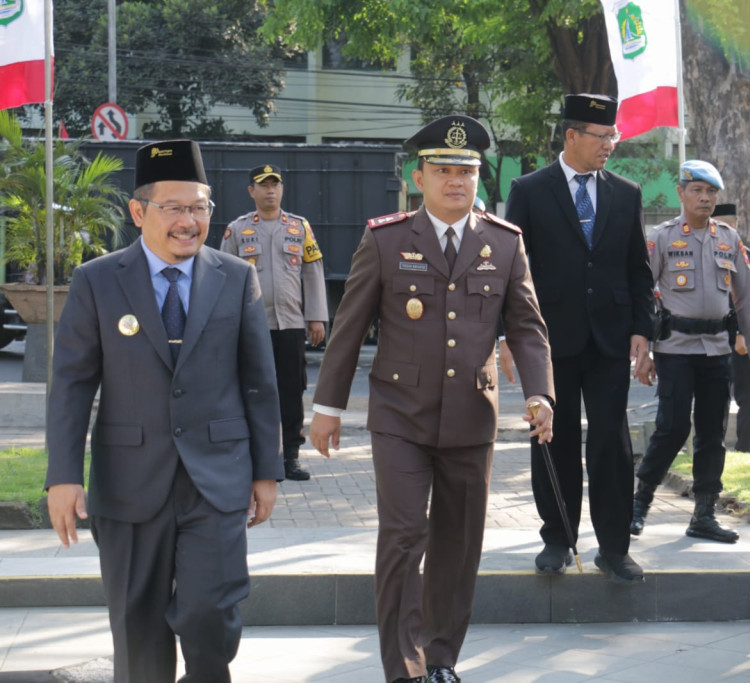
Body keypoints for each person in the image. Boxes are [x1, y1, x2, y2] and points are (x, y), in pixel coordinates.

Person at [308, 115, 554, 683]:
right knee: (403, 535)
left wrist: (541, 393)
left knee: (459, 543)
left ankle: (441, 658)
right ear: (419, 178)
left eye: (467, 172)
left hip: (472, 416)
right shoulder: (387, 239)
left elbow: (527, 327)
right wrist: (327, 409)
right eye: (444, 171)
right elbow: (349, 328)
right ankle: (406, 668)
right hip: (400, 416)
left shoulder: (503, 242)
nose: (457, 182)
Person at [45, 139, 283, 683]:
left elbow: (259, 383)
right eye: (173, 207)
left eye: (198, 207)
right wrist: (62, 476)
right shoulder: (97, 281)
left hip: (216, 481)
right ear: (138, 212)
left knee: (210, 617)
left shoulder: (235, 277)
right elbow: (72, 384)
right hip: (129, 484)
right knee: (138, 631)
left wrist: (266, 470)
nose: (188, 220)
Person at [503, 93, 654, 583]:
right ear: (572, 136)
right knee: (554, 436)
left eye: (613, 135)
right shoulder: (529, 189)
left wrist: (641, 329)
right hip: (549, 338)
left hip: (610, 338)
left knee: (612, 442)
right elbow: (513, 269)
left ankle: (615, 546)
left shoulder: (625, 193)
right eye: (602, 136)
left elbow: (637, 266)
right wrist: (509, 335)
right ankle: (557, 537)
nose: (610, 144)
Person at [629, 162, 750, 542]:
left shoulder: (729, 239)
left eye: (711, 192)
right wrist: (642, 350)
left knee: (712, 432)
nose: (705, 198)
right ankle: (639, 503)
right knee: (672, 427)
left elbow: (747, 301)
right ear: (681, 193)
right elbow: (644, 296)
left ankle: (703, 514)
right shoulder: (661, 238)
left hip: (716, 351)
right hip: (675, 348)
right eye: (697, 190)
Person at [221, 164, 329, 481]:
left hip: (291, 324)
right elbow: (222, 275)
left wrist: (317, 317)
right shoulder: (238, 230)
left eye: (275, 184)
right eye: (263, 185)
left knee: (291, 390)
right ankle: (255, 456)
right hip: (251, 325)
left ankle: (290, 458)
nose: (270, 190)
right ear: (251, 191)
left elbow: (313, 272)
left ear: (282, 189)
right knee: (253, 390)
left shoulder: (299, 227)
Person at [710, 202, 750, 453]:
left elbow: (749, 297)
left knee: (745, 395)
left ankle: (745, 448)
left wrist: (742, 333)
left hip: (738, 335)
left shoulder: (742, 253)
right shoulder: (715, 251)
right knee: (719, 395)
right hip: (717, 334)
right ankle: (714, 445)